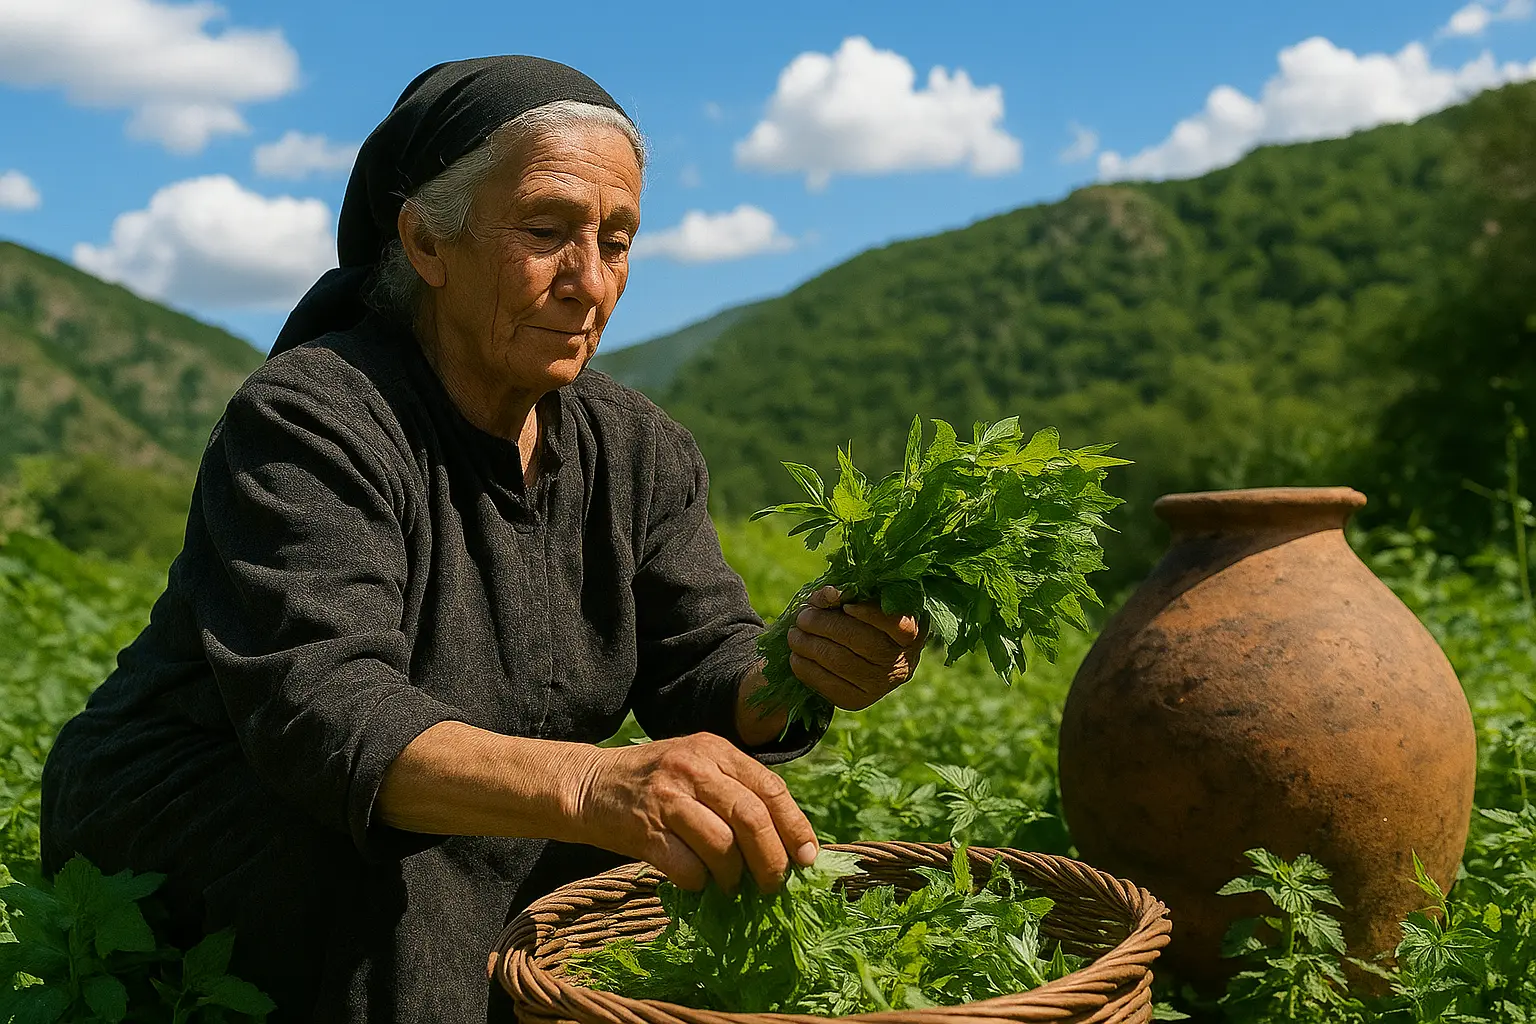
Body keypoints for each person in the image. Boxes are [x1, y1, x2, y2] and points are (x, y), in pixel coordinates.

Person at [39, 55, 925, 1022]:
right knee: (407, 877)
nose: (588, 282)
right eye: (546, 233)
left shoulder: (637, 450)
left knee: (691, 862)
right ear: (426, 239)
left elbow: (701, 664)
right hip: (218, 803)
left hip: (466, 803)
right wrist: (592, 779)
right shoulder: (312, 420)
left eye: (618, 241)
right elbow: (325, 713)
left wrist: (803, 668)